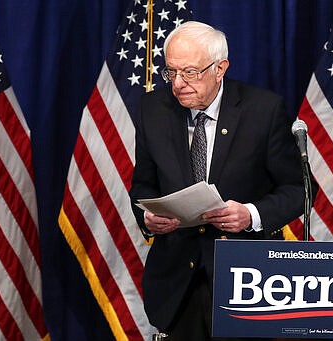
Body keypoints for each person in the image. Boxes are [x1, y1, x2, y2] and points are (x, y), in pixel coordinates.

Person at [129, 21, 313, 341]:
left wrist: (251, 215)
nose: (178, 84)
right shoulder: (153, 109)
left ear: (220, 68)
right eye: (171, 72)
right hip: (177, 283)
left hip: (249, 281)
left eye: (190, 72)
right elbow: (143, 184)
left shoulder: (263, 110)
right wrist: (148, 217)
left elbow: (300, 190)